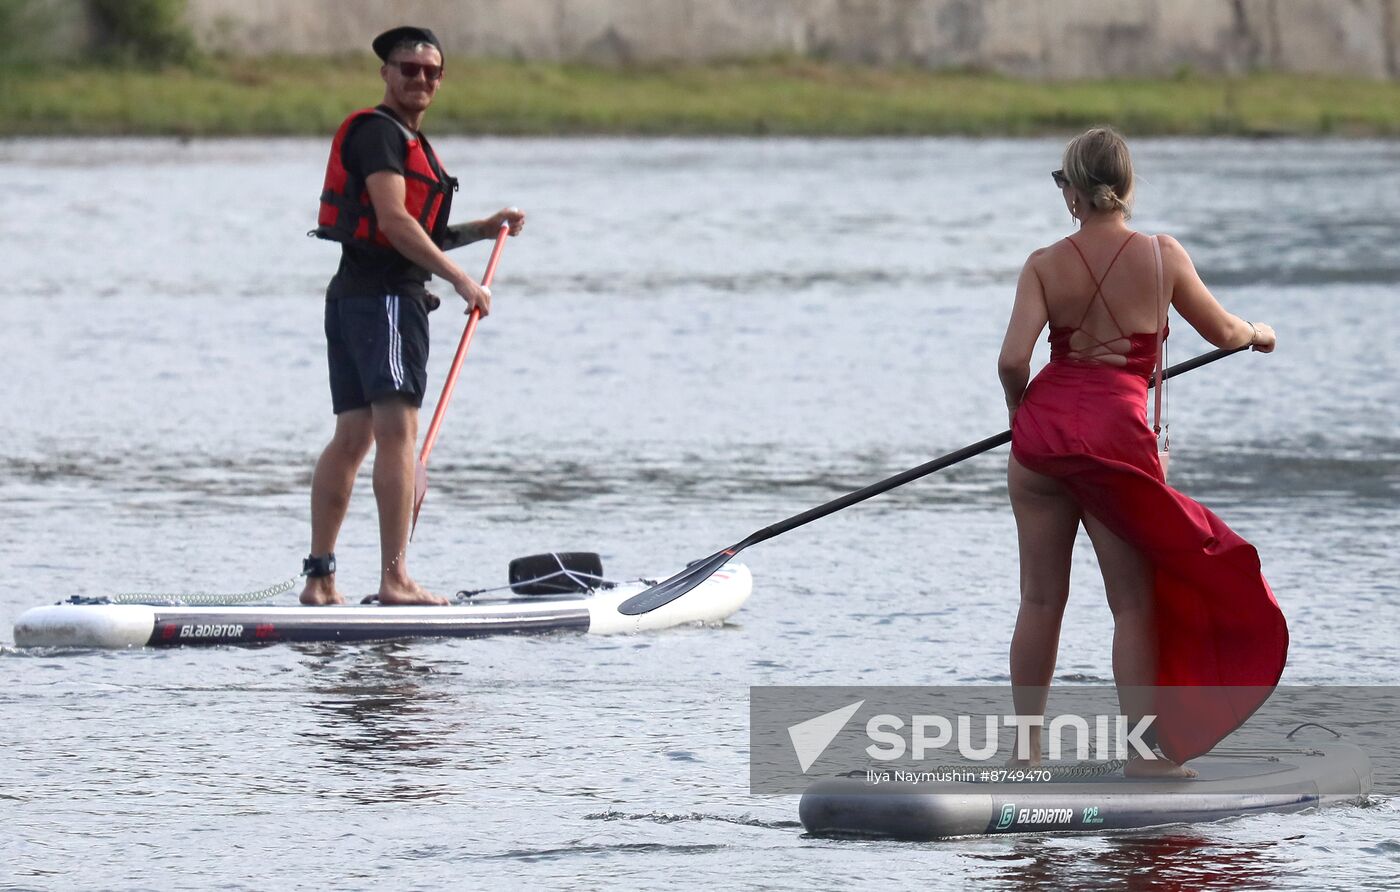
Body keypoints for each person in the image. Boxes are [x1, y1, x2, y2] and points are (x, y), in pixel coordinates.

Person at [998, 127, 1288, 776]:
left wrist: (1023, 416)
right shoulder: (1162, 257)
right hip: (1118, 447)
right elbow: (1223, 330)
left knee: (1040, 600)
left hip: (1042, 444)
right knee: (1131, 603)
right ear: (1126, 189)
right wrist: (1257, 334)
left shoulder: (1044, 263)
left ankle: (1024, 757)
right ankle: (1146, 757)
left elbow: (1013, 359)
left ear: (1074, 194)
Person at [302, 26, 525, 606]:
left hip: (353, 296)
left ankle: (320, 581)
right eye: (408, 69)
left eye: (431, 71)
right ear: (385, 74)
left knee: (351, 437)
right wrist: (460, 281)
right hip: (384, 303)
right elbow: (397, 224)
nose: (420, 79)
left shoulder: (399, 140)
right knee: (396, 434)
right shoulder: (380, 135)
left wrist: (483, 229)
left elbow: (412, 233)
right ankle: (395, 579)